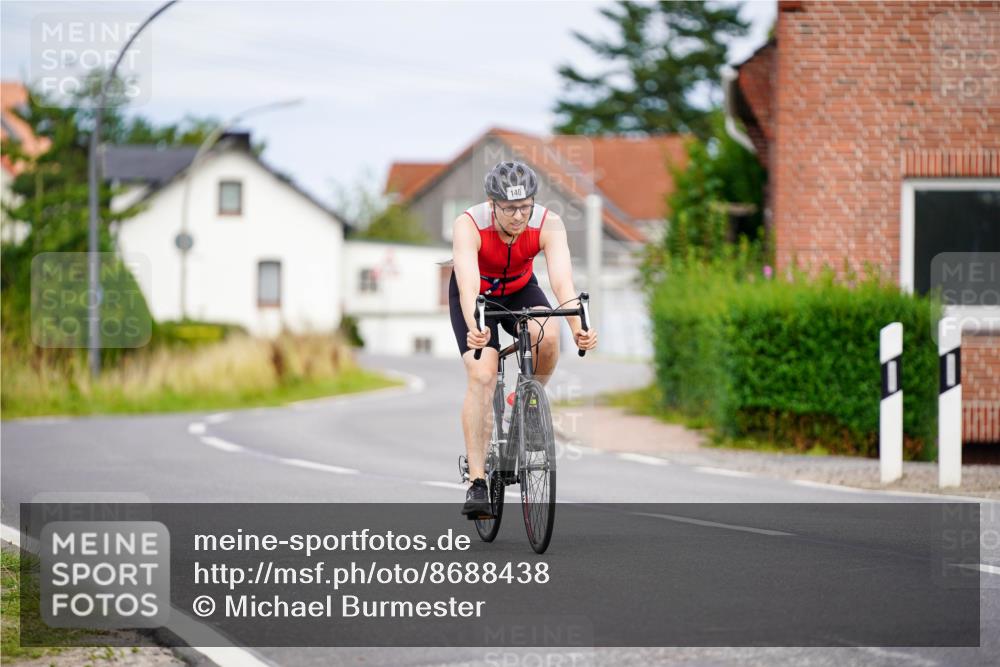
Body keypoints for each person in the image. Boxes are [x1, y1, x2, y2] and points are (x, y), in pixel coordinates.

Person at [449, 160, 598, 518]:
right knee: (483, 374)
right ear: (492, 202)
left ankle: (528, 399)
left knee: (547, 334)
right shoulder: (468, 224)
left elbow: (562, 283)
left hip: (519, 289)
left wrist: (578, 323)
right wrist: (476, 326)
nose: (519, 217)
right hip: (477, 296)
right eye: (510, 208)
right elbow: (468, 287)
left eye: (525, 207)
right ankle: (478, 483)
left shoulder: (549, 224)